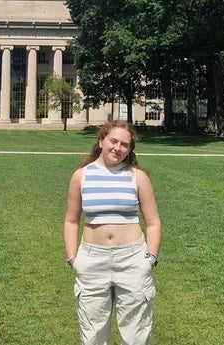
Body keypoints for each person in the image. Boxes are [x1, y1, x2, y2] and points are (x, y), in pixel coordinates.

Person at [63, 120, 161, 345]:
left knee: (136, 334)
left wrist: (150, 259)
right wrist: (73, 258)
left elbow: (153, 221)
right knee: (93, 334)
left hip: (133, 260)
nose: (118, 148)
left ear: (129, 149)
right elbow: (71, 220)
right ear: (101, 141)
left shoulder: (138, 176)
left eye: (125, 145)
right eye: (113, 141)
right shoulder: (82, 176)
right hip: (92, 260)